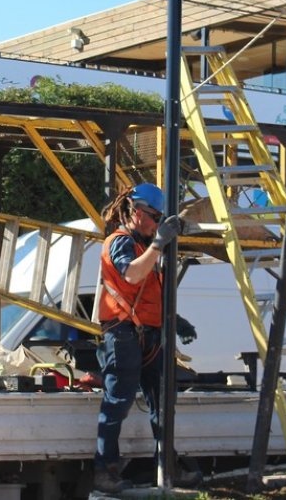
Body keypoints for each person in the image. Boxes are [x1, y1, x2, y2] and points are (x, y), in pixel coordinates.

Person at [93, 183, 196, 493]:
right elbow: (131, 275)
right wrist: (159, 244)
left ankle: (167, 466)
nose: (157, 223)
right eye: (154, 216)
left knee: (163, 403)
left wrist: (174, 319)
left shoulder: (143, 245)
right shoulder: (120, 242)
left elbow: (149, 290)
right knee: (118, 401)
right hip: (123, 332)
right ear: (136, 211)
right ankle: (104, 470)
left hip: (148, 332)